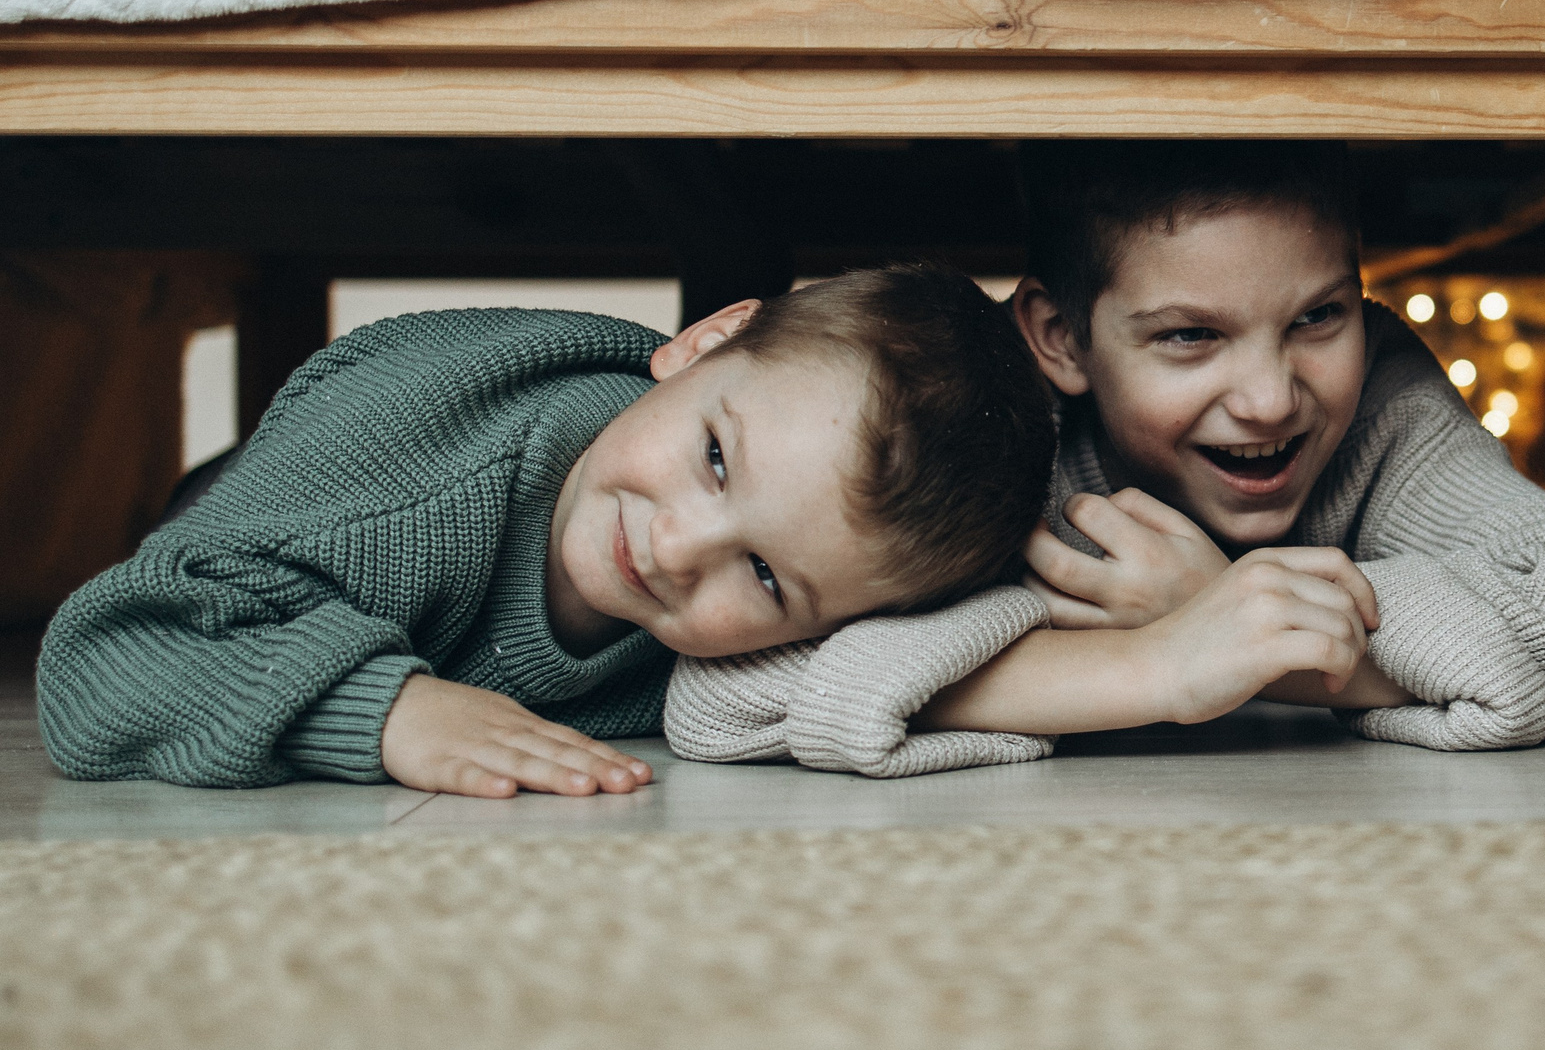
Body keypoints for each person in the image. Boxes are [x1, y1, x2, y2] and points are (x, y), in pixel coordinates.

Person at [665, 141, 1545, 777]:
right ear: (1059, 339)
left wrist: (1246, 623)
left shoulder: (1380, 402)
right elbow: (723, 696)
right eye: (1190, 337)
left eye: (1318, 317)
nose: (1270, 397)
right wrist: (1160, 660)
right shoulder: (969, 422)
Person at [37, 265, 1057, 793]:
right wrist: (391, 712)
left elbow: (918, 665)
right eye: (713, 458)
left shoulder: (808, 578)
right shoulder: (408, 473)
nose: (675, 550)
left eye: (761, 575)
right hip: (251, 514)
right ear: (706, 341)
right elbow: (104, 656)